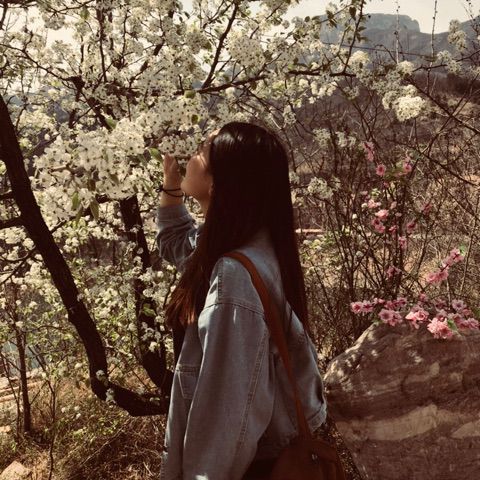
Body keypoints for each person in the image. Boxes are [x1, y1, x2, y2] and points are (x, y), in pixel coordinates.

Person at [155, 121, 328, 480]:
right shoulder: (250, 242)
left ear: (219, 183)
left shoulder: (233, 276)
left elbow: (226, 412)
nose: (191, 156)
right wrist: (171, 186)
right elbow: (176, 243)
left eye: (201, 151)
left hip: (249, 468)